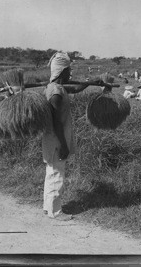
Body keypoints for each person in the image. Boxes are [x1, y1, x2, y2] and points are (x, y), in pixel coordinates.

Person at [42, 51, 94, 221]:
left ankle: (48, 208)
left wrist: (92, 82)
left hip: (51, 138)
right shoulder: (56, 93)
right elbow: (57, 122)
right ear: (61, 70)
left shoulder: (54, 87)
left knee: (51, 172)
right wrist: (64, 145)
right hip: (57, 138)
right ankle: (56, 212)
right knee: (57, 173)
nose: (70, 73)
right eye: (67, 70)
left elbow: (76, 88)